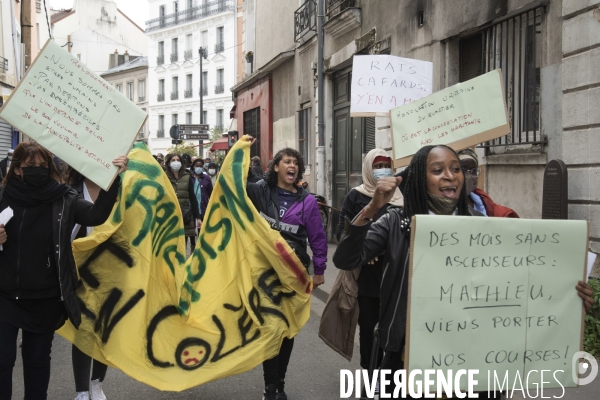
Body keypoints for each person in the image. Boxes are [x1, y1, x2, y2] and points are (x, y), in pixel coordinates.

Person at [333, 145, 594, 399]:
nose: (450, 175)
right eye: (437, 170)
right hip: (407, 358)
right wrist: (371, 209)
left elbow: (516, 289)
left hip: (473, 360)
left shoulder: (487, 229)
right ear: (418, 180)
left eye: (455, 168)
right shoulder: (396, 223)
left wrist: (568, 296)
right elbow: (346, 258)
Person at [0, 142, 128, 399]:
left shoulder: (62, 197)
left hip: (45, 298)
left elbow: (95, 216)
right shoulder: (2, 196)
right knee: (2, 362)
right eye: (30, 166)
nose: (37, 170)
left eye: (43, 165)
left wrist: (113, 179)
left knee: (37, 365)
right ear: (16, 170)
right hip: (5, 296)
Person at [245, 144, 328, 400]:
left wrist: (320, 268)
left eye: (295, 162)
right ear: (276, 167)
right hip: (265, 274)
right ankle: (270, 388)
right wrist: (241, 153)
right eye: (287, 161)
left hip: (294, 274)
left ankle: (280, 382)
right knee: (272, 328)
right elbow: (232, 188)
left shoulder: (308, 201)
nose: (292, 166)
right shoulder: (260, 191)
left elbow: (317, 236)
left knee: (287, 329)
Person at [321, 149, 403, 398]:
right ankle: (370, 375)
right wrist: (367, 248)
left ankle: (390, 378)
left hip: (396, 274)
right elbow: (343, 233)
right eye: (377, 165)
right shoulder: (356, 197)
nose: (382, 170)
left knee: (394, 330)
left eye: (386, 165)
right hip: (366, 276)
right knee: (369, 329)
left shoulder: (402, 196)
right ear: (368, 167)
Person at [62, 166, 108, 400]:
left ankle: (96, 384)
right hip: (78, 272)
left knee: (103, 331)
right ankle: (81, 390)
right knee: (82, 330)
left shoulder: (118, 191)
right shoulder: (70, 192)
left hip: (111, 272)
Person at [457, 148, 519, 217]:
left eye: (474, 171)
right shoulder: (446, 205)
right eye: (464, 170)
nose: (469, 175)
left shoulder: (487, 205)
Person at [164, 153, 202, 252]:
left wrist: (198, 217)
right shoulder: (163, 177)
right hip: (169, 215)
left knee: (184, 245)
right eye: (173, 160)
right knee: (171, 246)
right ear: (168, 163)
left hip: (185, 215)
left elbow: (193, 198)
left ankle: (183, 266)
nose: (176, 162)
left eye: (178, 160)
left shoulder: (187, 176)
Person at [190, 158, 213, 227]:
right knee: (191, 229)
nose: (199, 167)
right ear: (193, 166)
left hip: (203, 207)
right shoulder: (189, 177)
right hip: (191, 207)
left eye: (200, 166)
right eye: (197, 166)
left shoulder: (206, 178)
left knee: (202, 228)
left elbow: (211, 193)